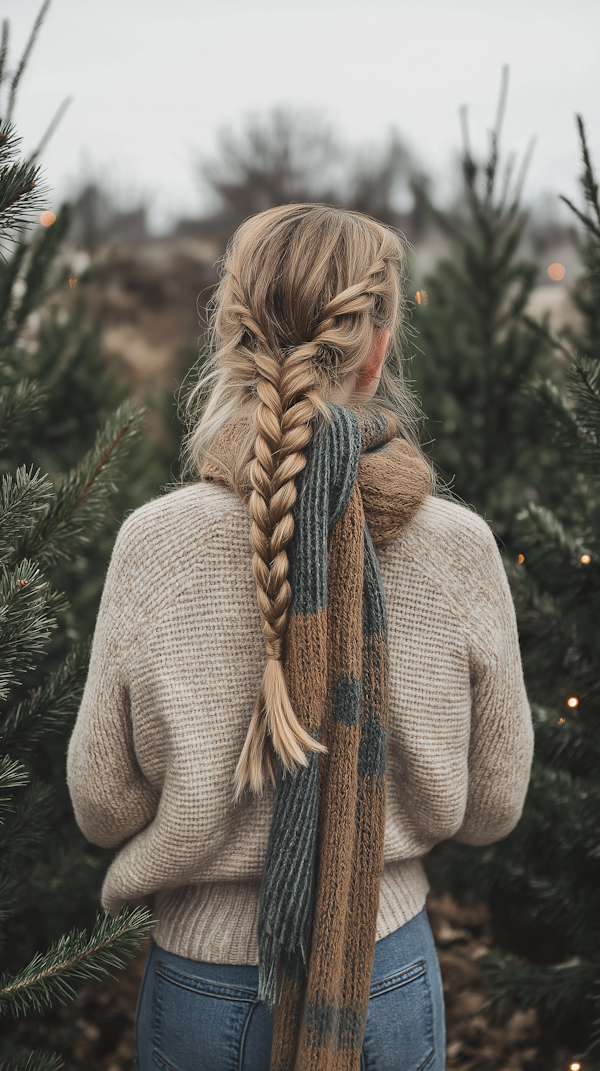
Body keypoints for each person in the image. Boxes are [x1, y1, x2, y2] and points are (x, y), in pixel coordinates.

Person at [67, 203, 534, 1071]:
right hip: (386, 973)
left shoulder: (155, 542)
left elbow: (103, 803)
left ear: (233, 342)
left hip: (204, 986)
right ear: (379, 347)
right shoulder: (458, 546)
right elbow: (494, 805)